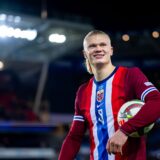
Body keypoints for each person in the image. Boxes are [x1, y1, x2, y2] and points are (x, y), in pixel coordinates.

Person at [58, 30, 160, 160]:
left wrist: (124, 131)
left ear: (111, 50)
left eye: (103, 44)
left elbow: (157, 102)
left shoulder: (130, 76)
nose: (98, 49)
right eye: (92, 46)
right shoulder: (83, 92)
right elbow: (74, 137)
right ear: (85, 54)